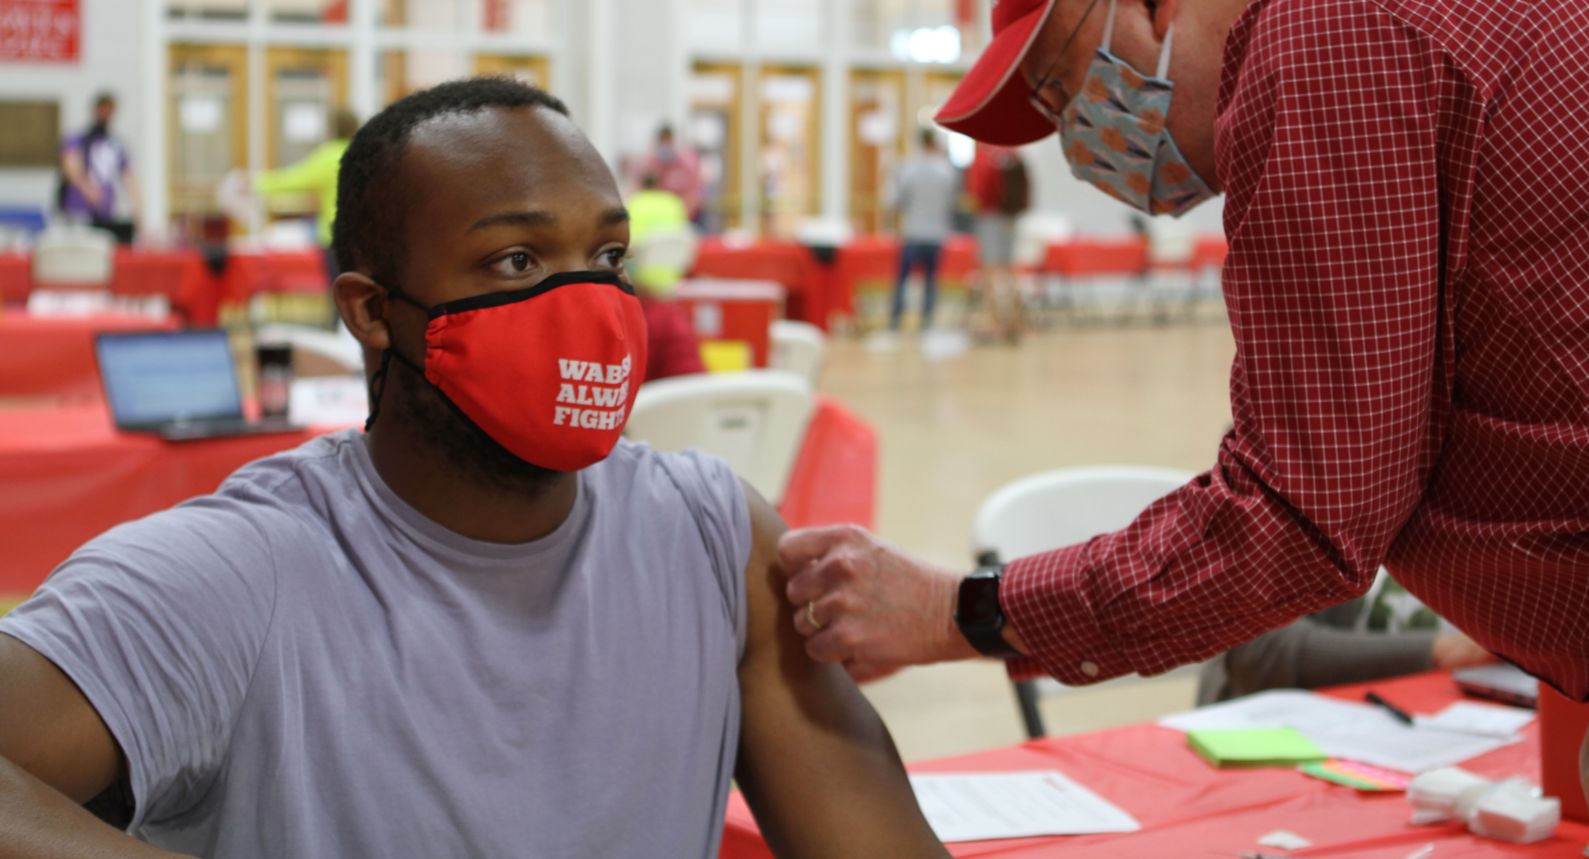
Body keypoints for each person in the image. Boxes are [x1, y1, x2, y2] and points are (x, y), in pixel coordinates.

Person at [773, 0, 1589, 836]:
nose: (1078, 140)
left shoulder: (1319, 35)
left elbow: (1301, 516)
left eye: (1061, 87)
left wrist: (961, 609)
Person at [0, 78, 947, 859]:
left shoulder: (711, 537)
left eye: (606, 254)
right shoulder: (240, 573)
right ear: (373, 312)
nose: (583, 302)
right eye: (517, 259)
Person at [1197, 570, 1495, 704]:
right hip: (1274, 733)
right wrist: (1440, 650)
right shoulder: (1320, 457)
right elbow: (1256, 648)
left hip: (1465, 725)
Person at [253, 108, 360, 281]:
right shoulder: (364, 154)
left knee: (339, 292)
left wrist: (257, 183)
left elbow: (294, 180)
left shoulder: (328, 157)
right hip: (362, 237)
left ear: (332, 129)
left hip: (335, 237)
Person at [626, 174, 708, 381]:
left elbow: (631, 244)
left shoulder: (634, 203)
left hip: (642, 276)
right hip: (673, 278)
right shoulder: (673, 203)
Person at [887, 128, 959, 333]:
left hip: (913, 231)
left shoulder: (908, 168)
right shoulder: (946, 170)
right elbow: (951, 202)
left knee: (903, 278)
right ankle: (927, 319)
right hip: (936, 233)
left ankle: (896, 318)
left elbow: (897, 200)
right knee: (930, 279)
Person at [966, 142, 1031, 343]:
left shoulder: (984, 156)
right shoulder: (1014, 153)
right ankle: (1016, 321)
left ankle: (994, 321)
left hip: (989, 217)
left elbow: (977, 191)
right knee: (1010, 270)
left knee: (990, 271)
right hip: (1011, 216)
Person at [59, 91, 140, 244]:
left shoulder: (117, 144)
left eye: (109, 110)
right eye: (102, 109)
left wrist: (138, 213)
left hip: (105, 214)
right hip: (79, 212)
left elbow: (130, 178)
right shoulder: (78, 139)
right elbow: (71, 167)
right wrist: (89, 190)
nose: (105, 114)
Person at [635, 122, 704, 223]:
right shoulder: (651, 162)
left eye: (668, 140)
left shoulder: (686, 164)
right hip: (657, 216)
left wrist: (684, 215)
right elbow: (641, 188)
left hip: (683, 216)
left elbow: (693, 192)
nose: (665, 144)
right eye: (662, 141)